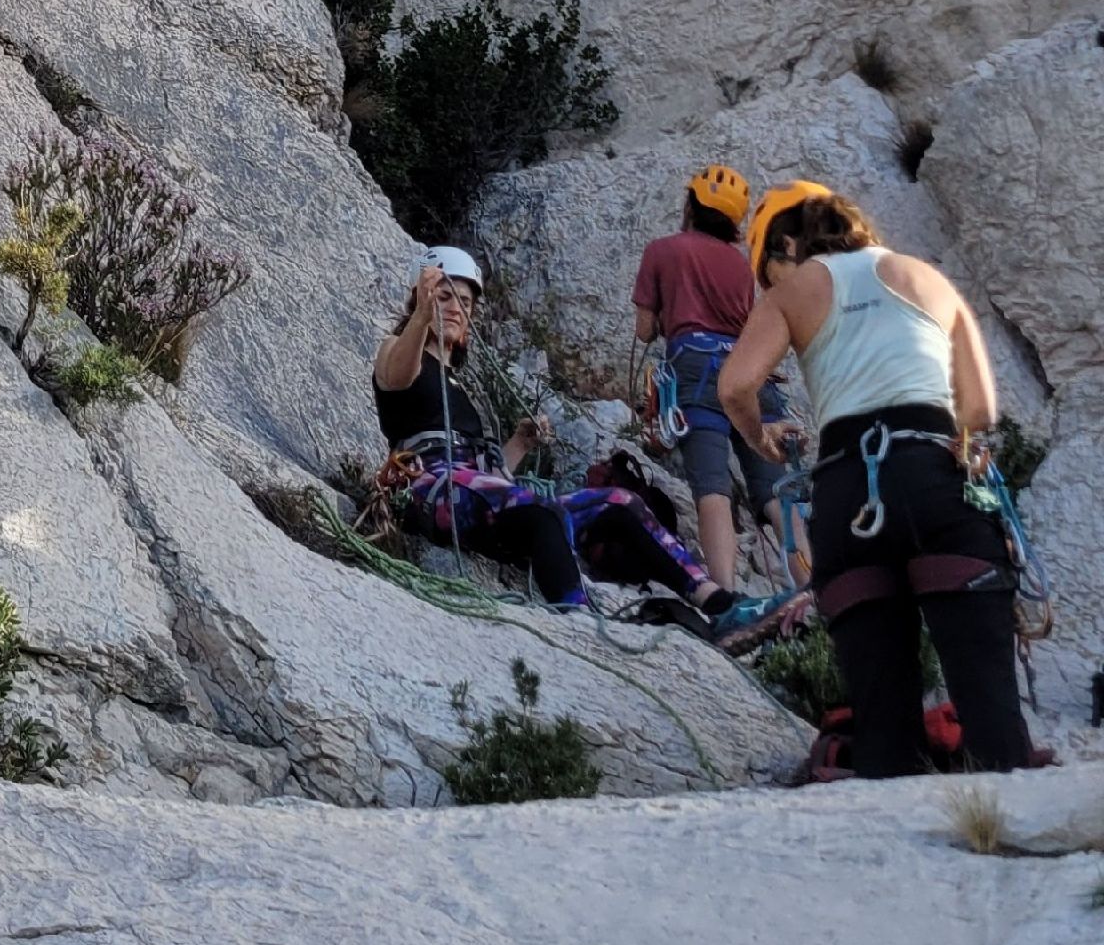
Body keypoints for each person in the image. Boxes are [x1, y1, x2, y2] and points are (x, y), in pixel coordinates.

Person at [720, 187, 1036, 775]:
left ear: (785, 243)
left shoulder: (794, 291)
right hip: (938, 476)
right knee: (992, 712)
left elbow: (736, 387)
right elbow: (980, 411)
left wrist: (760, 439)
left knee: (884, 726)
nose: (770, 284)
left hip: (849, 495)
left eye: (768, 271)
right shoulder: (930, 279)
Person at [373, 250, 718, 617]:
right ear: (420, 297)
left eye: (466, 303)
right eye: (445, 297)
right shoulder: (396, 350)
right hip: (425, 485)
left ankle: (712, 598)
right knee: (540, 511)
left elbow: (485, 484)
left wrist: (519, 444)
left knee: (620, 501)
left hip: (465, 496)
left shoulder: (457, 386)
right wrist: (421, 318)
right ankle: (579, 619)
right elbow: (397, 376)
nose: (457, 309)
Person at [632, 163, 797, 626]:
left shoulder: (663, 250)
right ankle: (811, 585)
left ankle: (725, 600)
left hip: (696, 370)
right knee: (774, 489)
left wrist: (670, 315)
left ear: (691, 205)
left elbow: (644, 330)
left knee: (712, 484)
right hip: (750, 373)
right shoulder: (743, 265)